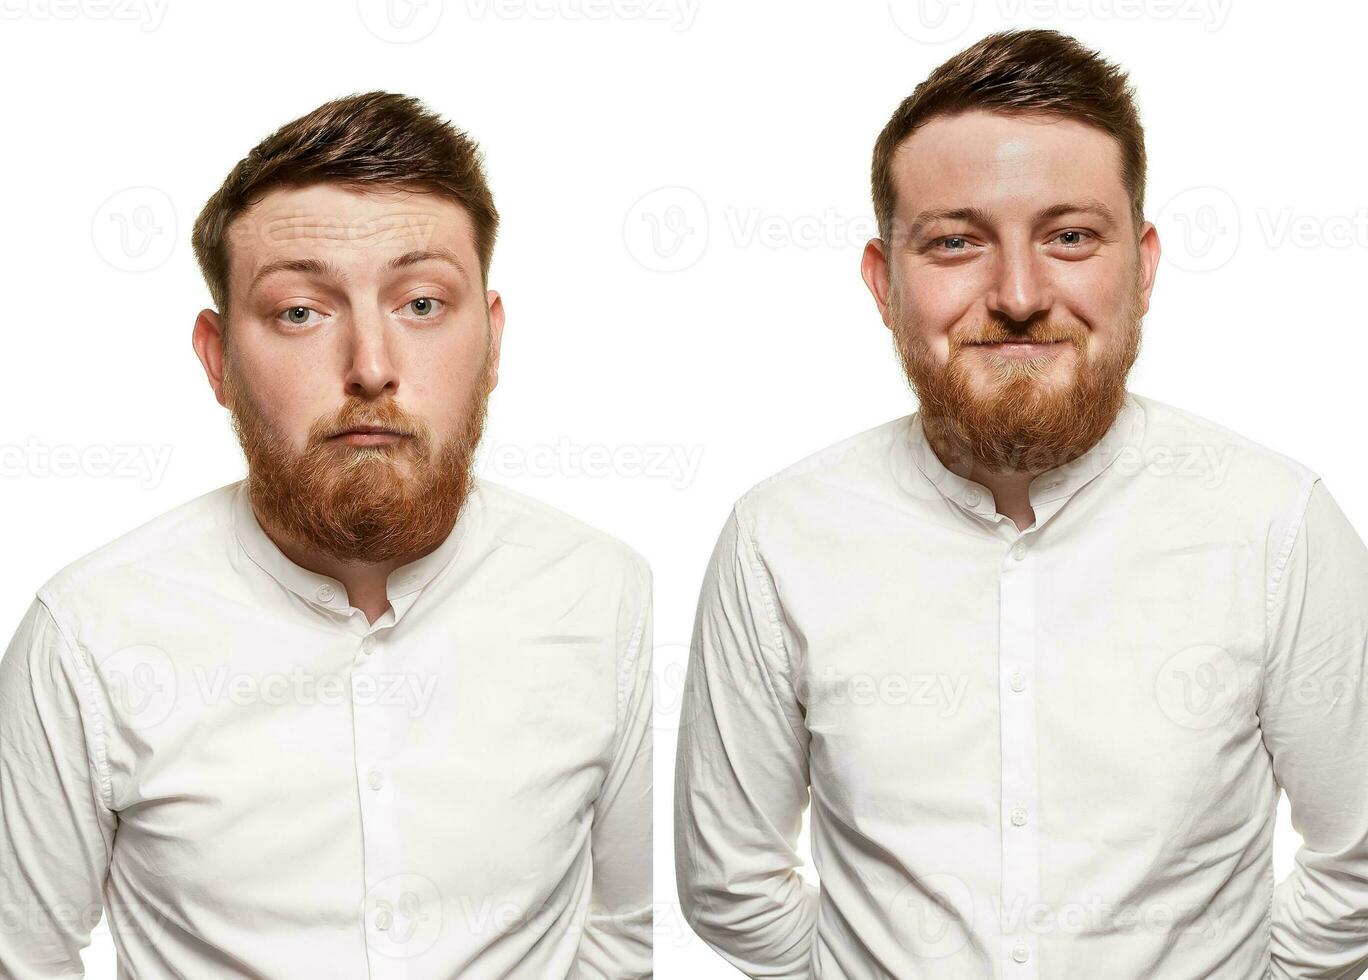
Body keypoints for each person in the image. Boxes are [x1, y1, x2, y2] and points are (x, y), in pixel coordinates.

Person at [673, 29, 1368, 978]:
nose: (1018, 294)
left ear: (1145, 264)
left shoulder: (1279, 525)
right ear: (883, 282)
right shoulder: (777, 541)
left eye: (1070, 236)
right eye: (956, 241)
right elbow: (730, 882)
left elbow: (1357, 863)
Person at [0, 91, 652, 979]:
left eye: (421, 303)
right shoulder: (86, 634)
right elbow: (21, 957)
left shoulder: (612, 599)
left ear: (492, 345)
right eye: (302, 312)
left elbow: (638, 924)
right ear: (218, 359)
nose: (373, 368)